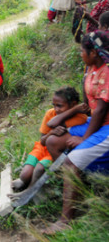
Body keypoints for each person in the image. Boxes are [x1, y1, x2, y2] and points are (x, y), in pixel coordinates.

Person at [42, 31, 109, 235]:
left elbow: (100, 111)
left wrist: (84, 138)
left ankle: (66, 220)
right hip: (96, 122)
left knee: (72, 160)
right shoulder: (90, 68)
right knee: (53, 141)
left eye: (82, 50)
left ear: (93, 53)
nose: (80, 53)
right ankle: (77, 191)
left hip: (106, 127)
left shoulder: (107, 72)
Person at [10, 87, 87, 194]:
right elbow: (42, 141)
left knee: (39, 169)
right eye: (54, 105)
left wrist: (73, 111)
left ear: (73, 104)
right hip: (42, 147)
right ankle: (24, 181)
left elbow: (53, 124)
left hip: (54, 151)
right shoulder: (50, 113)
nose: (56, 109)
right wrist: (51, 133)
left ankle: (29, 191)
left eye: (59, 106)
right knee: (24, 175)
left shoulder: (80, 118)